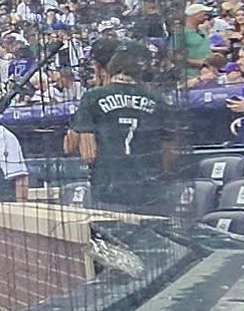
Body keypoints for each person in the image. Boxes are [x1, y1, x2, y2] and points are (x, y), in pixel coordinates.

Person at [67, 41, 175, 210]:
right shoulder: (157, 98)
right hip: (150, 189)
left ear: (111, 67)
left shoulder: (93, 96)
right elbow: (169, 147)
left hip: (109, 187)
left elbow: (88, 153)